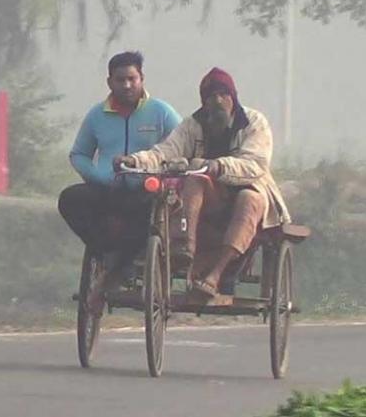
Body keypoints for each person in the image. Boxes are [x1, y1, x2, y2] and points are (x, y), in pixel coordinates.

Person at [116, 67, 291, 296]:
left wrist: (218, 166)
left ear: (233, 97)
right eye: (211, 96)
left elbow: (255, 164)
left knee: (249, 198)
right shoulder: (192, 125)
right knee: (195, 179)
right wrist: (135, 160)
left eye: (223, 94)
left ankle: (215, 275)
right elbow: (165, 152)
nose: (218, 100)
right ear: (204, 102)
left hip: (249, 191)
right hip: (209, 198)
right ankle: (184, 248)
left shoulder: (254, 122)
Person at [58, 51, 182, 301]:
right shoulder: (96, 116)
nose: (126, 85)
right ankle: (104, 252)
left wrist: (169, 181)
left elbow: (184, 149)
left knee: (146, 218)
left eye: (132, 79)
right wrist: (96, 176)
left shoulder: (161, 112)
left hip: (148, 190)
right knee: (69, 199)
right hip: (108, 189)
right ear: (110, 82)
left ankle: (121, 266)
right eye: (120, 80)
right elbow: (79, 154)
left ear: (141, 79)